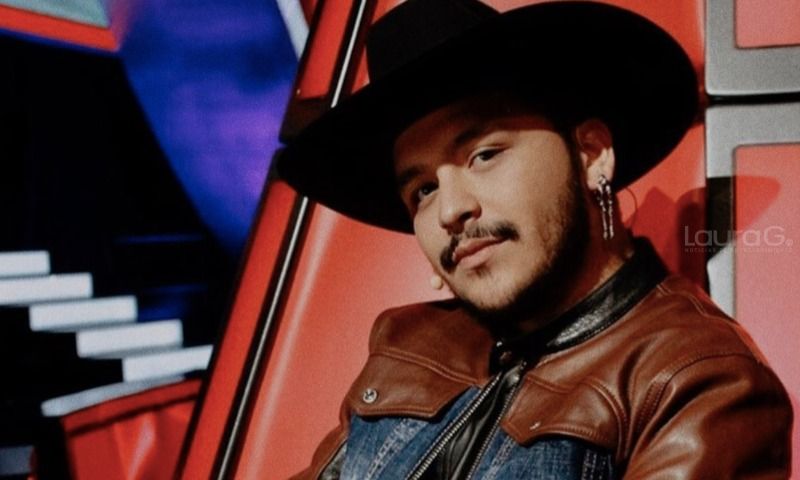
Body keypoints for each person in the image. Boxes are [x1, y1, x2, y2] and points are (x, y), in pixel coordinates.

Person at [277, 0, 793, 478]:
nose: (451, 210)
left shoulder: (695, 381)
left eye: (484, 155)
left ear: (591, 154)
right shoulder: (404, 344)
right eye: (423, 190)